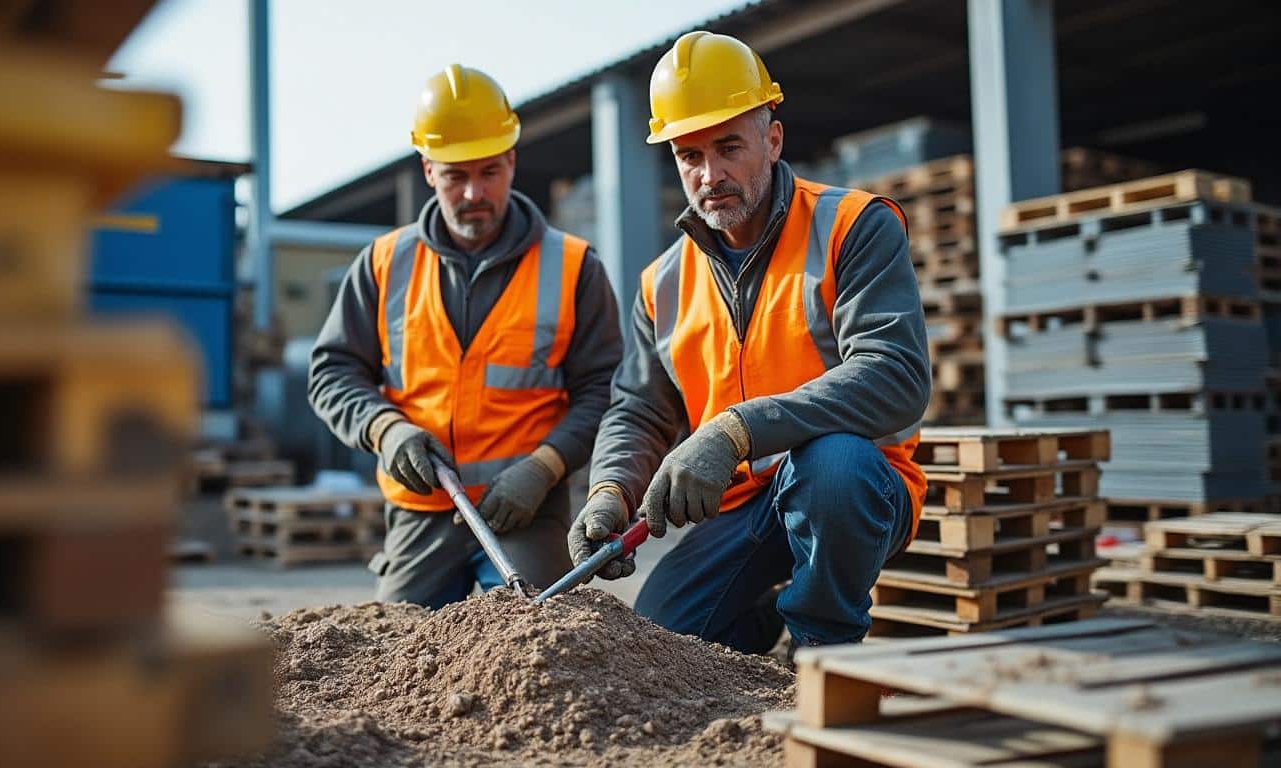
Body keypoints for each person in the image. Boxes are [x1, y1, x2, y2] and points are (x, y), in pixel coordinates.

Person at [569, 32, 930, 652]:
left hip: (852, 486)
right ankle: (771, 619)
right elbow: (639, 410)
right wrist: (611, 489)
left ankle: (825, 649)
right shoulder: (661, 283)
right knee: (660, 637)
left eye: (729, 147)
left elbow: (894, 374)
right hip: (739, 508)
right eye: (690, 156)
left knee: (833, 466)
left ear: (773, 139)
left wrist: (737, 429)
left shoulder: (854, 226)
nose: (711, 175)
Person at [310, 64, 622, 608]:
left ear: (513, 162)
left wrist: (544, 468)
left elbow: (608, 391)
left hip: (526, 507)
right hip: (423, 507)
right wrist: (386, 430)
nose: (474, 192)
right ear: (428, 170)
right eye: (456, 175)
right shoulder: (383, 265)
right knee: (398, 653)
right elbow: (332, 372)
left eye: (489, 171)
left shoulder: (574, 268)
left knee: (543, 639)